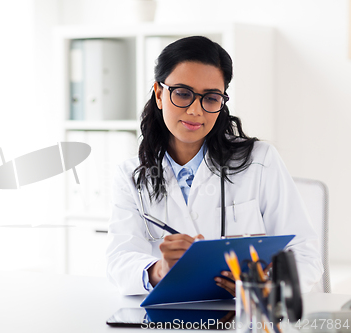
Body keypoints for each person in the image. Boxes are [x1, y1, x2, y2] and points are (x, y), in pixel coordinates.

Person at [106, 36, 323, 296]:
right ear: (159, 94)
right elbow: (118, 262)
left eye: (210, 98)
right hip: (169, 316)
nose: (196, 110)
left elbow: (305, 254)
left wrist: (262, 284)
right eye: (183, 94)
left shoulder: (260, 161)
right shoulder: (131, 175)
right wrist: (159, 270)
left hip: (244, 315)